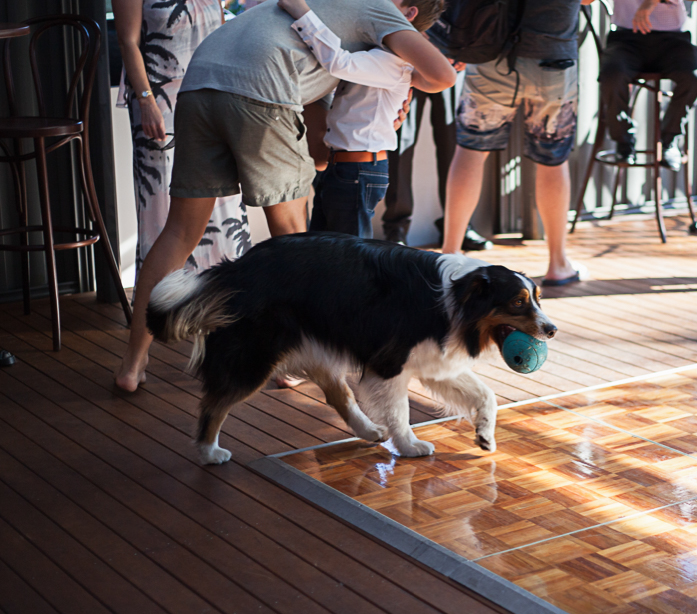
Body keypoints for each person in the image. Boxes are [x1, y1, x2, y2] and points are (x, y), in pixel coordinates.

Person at [114, 0, 456, 392]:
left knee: (178, 233)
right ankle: (306, 365)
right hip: (260, 87)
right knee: (294, 240)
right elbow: (442, 74)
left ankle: (132, 364)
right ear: (407, 16)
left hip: (198, 84)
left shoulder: (329, 21)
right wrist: (403, 78)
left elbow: (319, 151)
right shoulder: (378, 8)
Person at [441, 0, 595, 286]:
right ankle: (558, 264)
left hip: (489, 51)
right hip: (552, 57)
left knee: (472, 150)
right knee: (552, 159)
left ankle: (450, 256)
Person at [275, 0, 443, 238]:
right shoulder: (378, 54)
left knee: (348, 257)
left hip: (357, 169)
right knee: (324, 250)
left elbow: (338, 62)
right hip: (345, 167)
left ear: (409, 13)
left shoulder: (392, 61)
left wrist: (302, 12)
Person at [114, 0, 251, 279]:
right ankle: (160, 306)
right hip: (159, 101)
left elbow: (225, 30)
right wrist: (146, 102)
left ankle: (221, 298)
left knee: (222, 199)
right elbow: (127, 42)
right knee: (163, 202)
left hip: (210, 95)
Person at [598, 0, 697, 170]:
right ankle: (623, 140)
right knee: (612, 76)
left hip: (674, 40)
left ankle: (669, 140)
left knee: (696, 78)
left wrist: (650, 3)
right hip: (626, 38)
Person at [383, 78, 492, 250]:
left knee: (454, 147)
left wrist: (462, 55)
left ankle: (458, 228)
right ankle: (396, 228)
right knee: (401, 148)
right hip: (410, 62)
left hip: (451, 65)